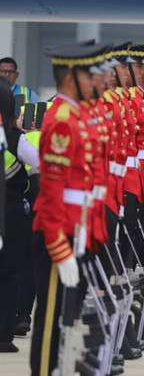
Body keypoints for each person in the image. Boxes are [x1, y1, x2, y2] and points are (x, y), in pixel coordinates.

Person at [30, 42, 110, 374]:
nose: (97, 82)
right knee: (50, 323)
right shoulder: (62, 120)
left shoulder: (76, 116)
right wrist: (59, 247)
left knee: (65, 316)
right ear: (69, 78)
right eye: (90, 75)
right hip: (59, 233)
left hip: (75, 228)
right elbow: (51, 193)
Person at [0, 77, 40, 353]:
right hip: (11, 209)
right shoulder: (17, 138)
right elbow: (42, 163)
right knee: (10, 273)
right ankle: (3, 336)